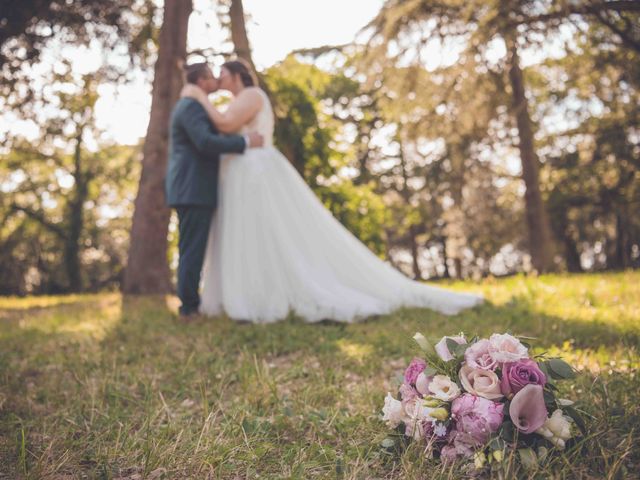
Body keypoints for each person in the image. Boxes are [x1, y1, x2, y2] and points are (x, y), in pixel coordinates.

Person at [181, 59, 483, 323]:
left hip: (256, 173)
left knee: (267, 233)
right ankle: (247, 292)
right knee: (248, 234)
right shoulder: (241, 97)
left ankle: (265, 296)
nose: (218, 83)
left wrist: (196, 95)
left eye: (222, 76)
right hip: (242, 174)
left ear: (236, 76)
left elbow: (224, 123)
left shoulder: (250, 94)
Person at [165, 62, 264, 320]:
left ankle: (191, 303)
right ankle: (188, 307)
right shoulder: (191, 107)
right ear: (201, 82)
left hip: (194, 187)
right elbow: (206, 142)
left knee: (194, 247)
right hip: (192, 187)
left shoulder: (194, 106)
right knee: (192, 249)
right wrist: (245, 142)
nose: (216, 82)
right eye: (211, 77)